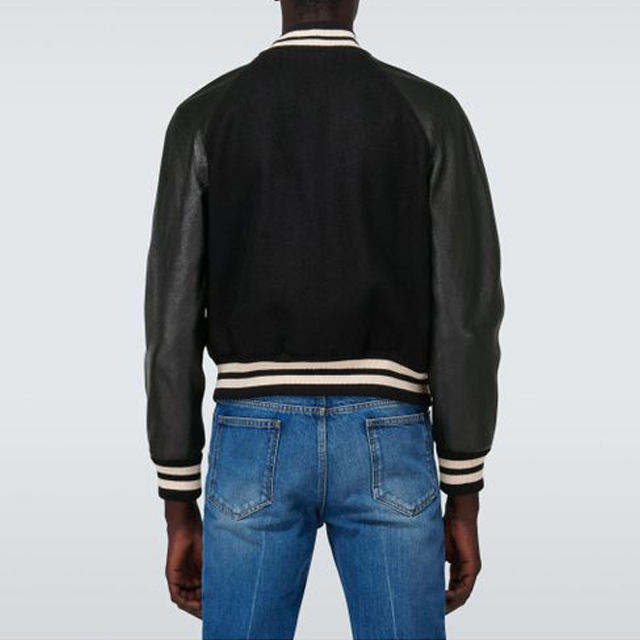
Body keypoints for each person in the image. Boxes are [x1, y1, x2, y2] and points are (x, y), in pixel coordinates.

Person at [144, 0, 503, 637]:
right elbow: (466, 316)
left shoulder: (205, 115)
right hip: (388, 431)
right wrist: (464, 490)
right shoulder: (429, 112)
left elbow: (170, 325)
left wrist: (178, 501)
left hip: (253, 432)